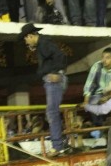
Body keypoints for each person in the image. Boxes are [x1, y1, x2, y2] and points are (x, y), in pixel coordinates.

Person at [19, 23, 73, 157]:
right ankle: (61, 144)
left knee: (52, 113)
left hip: (53, 80)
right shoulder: (42, 44)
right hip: (53, 79)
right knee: (53, 112)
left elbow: (61, 56)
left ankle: (58, 146)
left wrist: (56, 72)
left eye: (26, 39)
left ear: (30, 36)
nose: (25, 41)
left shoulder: (44, 44)